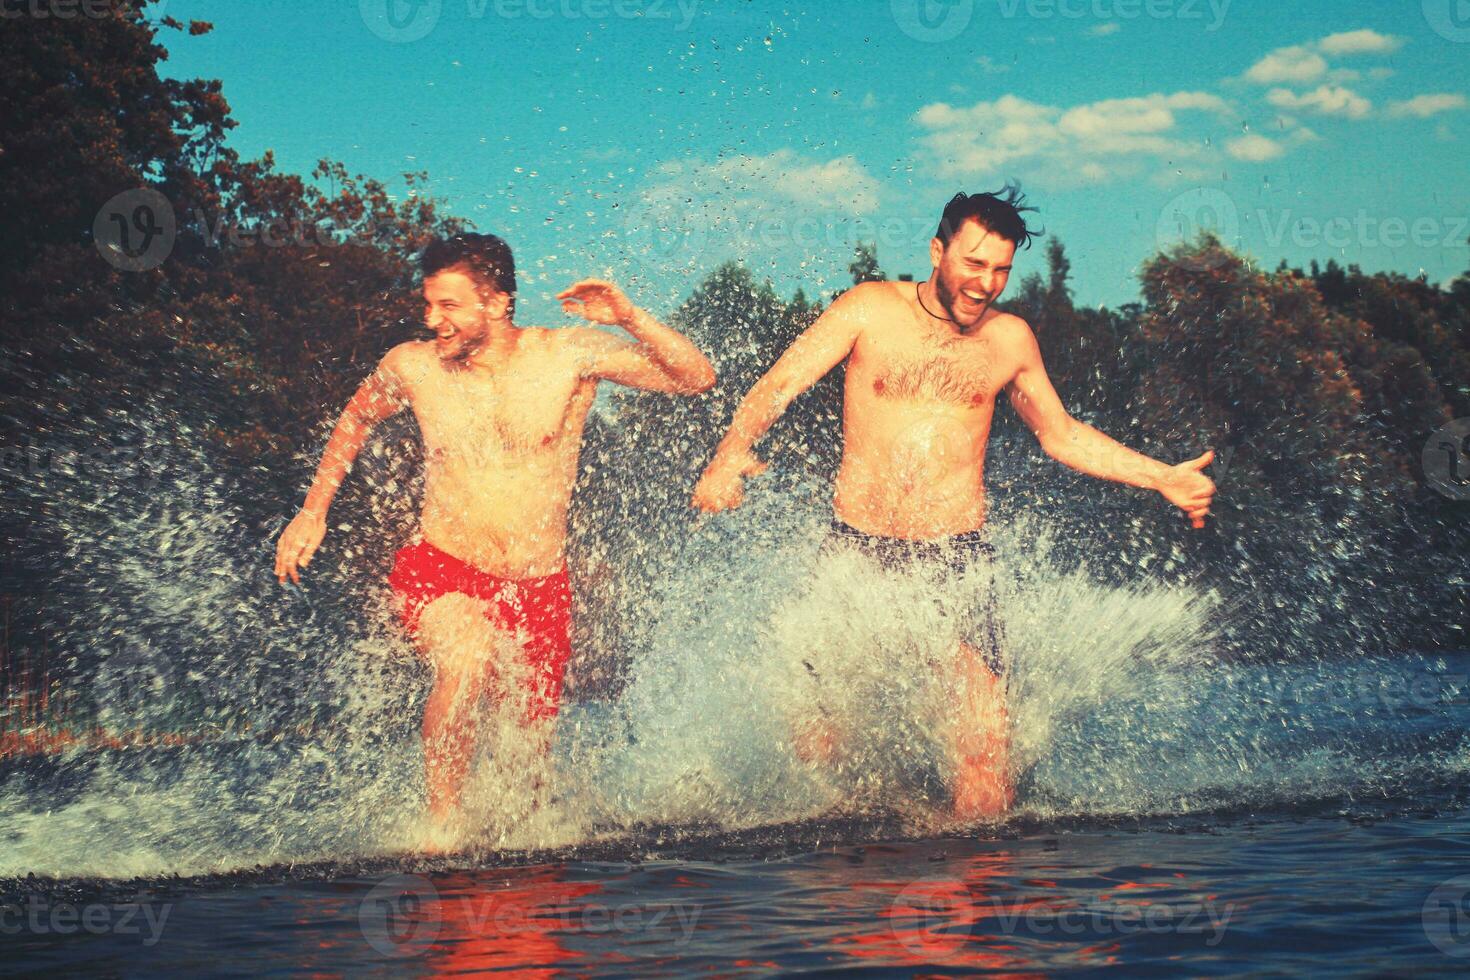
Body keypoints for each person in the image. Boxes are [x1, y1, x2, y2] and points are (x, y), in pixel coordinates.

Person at [692, 186, 1216, 819]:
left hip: (956, 558)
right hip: (857, 553)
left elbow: (1062, 434)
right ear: (938, 251)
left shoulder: (1010, 341)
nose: (985, 283)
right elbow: (780, 383)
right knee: (822, 747)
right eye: (973, 264)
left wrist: (1160, 476)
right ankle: (846, 891)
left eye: (999, 270)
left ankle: (975, 896)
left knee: (982, 750)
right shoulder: (869, 309)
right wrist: (727, 457)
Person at [273, 232, 716, 839]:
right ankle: (441, 829)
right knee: (469, 653)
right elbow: (354, 418)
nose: (434, 321)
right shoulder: (412, 366)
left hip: (539, 587)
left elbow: (696, 378)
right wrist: (313, 510)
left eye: (448, 306)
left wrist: (630, 317)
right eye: (429, 306)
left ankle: (504, 862)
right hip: (443, 568)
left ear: (498, 302)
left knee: (523, 788)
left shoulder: (570, 356)